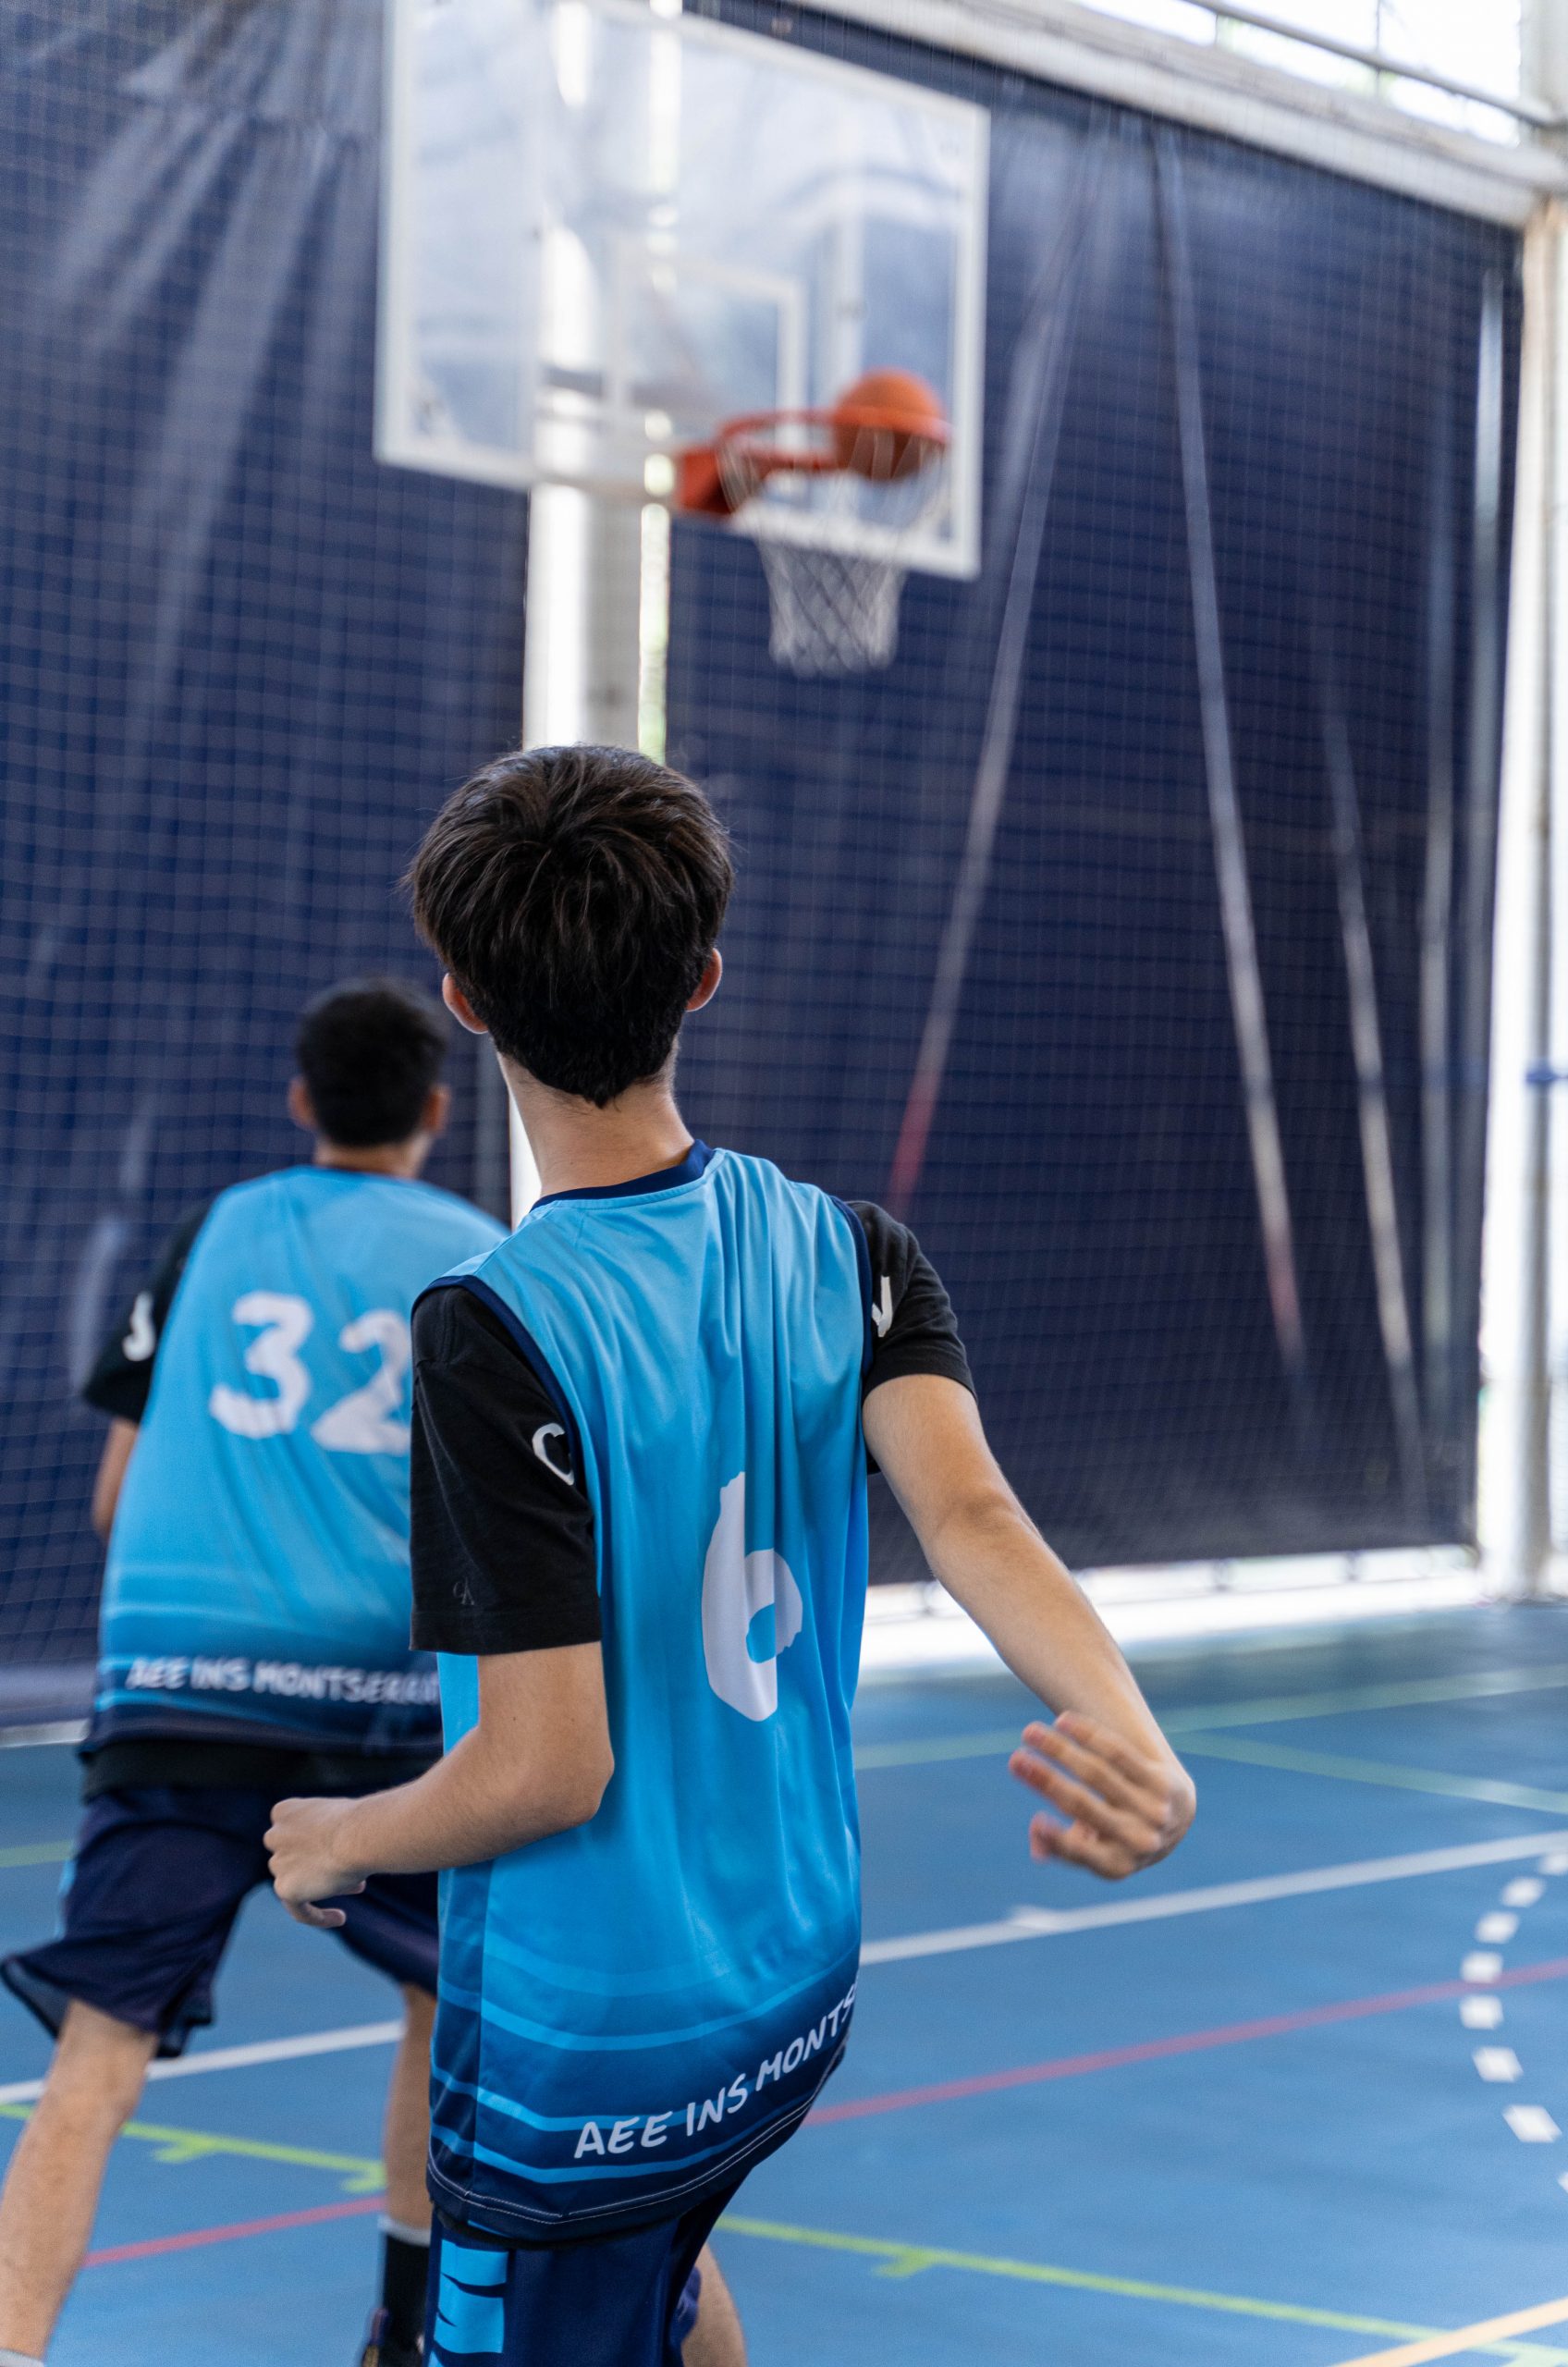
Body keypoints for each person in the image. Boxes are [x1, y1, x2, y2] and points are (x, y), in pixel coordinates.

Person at [265, 749, 1197, 2367]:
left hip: (587, 2058)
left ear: (465, 1003)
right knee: (673, 2267)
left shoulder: (494, 1328)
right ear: (701, 976)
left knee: (598, 2273)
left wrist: (342, 1837)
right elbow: (974, 1519)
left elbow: (546, 1767)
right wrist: (1133, 1734)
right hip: (789, 1990)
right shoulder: (849, 1250)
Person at [0, 979, 505, 2367]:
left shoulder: (213, 1231)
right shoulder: (481, 1258)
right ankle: (401, 2332)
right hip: (385, 1715)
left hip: (179, 1696)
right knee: (445, 2010)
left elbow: (114, 1499)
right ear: (436, 1110)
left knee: (95, 2059)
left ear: (300, 1102)